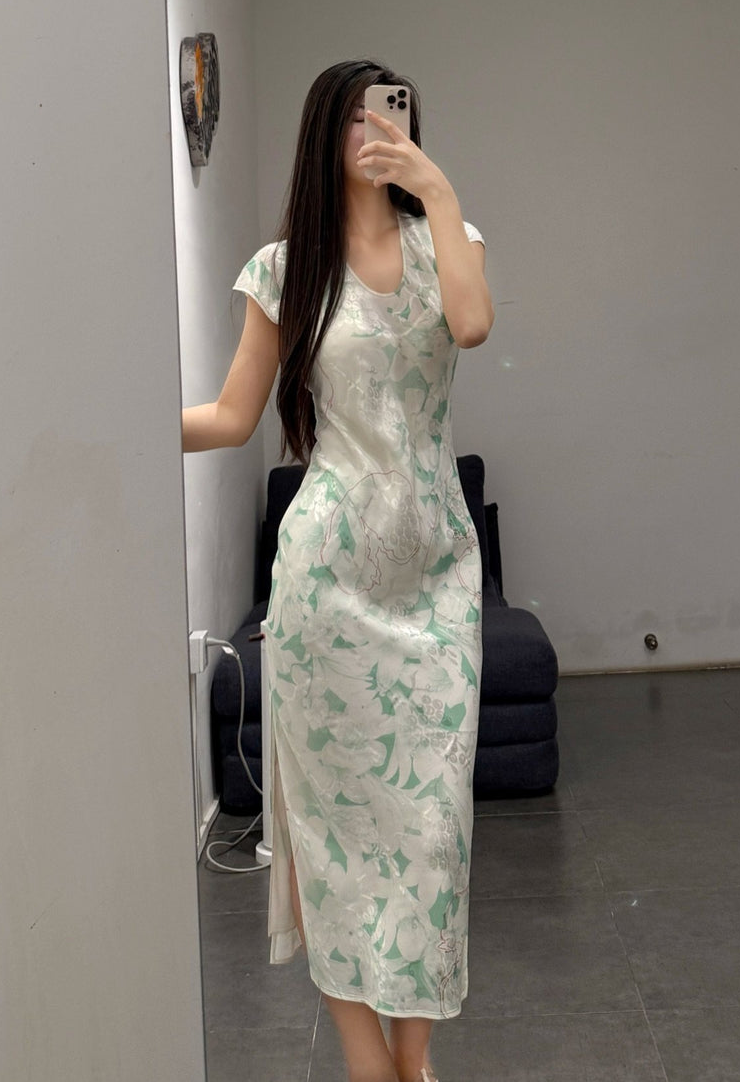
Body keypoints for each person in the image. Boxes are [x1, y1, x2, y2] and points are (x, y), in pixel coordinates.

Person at [182, 59, 494, 1082]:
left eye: (390, 115)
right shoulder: (285, 270)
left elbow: (471, 324)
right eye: (355, 118)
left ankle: (415, 1053)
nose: (374, 132)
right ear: (325, 133)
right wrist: (119, 418)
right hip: (326, 581)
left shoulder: (450, 238)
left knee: (432, 829)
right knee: (333, 835)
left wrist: (436, 190)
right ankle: (375, 1063)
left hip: (436, 576)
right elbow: (233, 416)